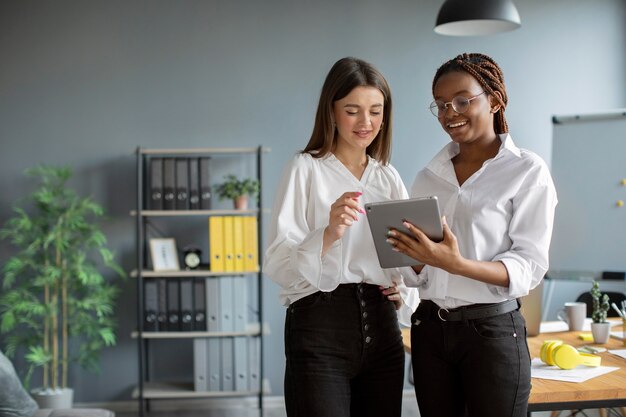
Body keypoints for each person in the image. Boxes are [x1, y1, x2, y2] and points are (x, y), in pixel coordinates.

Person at [386, 52, 558, 417]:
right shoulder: (428, 176)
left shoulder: (527, 171)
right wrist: (414, 259)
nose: (450, 113)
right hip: (430, 330)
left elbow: (529, 266)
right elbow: (420, 273)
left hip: (492, 332)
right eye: (441, 105)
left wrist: (456, 263)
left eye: (463, 100)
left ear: (494, 100)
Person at [263, 57, 418, 417]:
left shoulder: (387, 177)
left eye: (376, 111)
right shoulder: (304, 169)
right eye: (353, 110)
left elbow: (402, 256)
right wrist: (328, 233)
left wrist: (403, 288)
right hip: (319, 331)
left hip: (382, 330)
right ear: (331, 111)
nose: (366, 123)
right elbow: (276, 263)